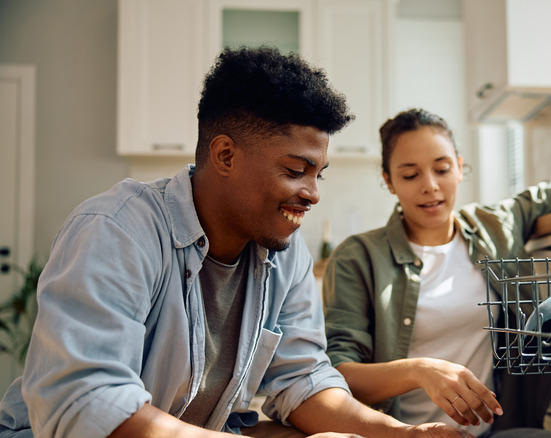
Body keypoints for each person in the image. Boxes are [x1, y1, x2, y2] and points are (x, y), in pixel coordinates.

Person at [0, 47, 473, 438]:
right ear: (225, 154)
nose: (312, 193)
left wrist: (406, 435)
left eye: (317, 173)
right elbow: (88, 405)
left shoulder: (285, 253)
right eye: (295, 171)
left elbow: (303, 381)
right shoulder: (117, 230)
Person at [323, 103, 551, 437]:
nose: (430, 186)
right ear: (388, 181)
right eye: (410, 175)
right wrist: (420, 370)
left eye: (441, 168)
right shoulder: (358, 257)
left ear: (460, 168)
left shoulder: (497, 225)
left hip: (496, 429)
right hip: (403, 434)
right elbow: (339, 374)